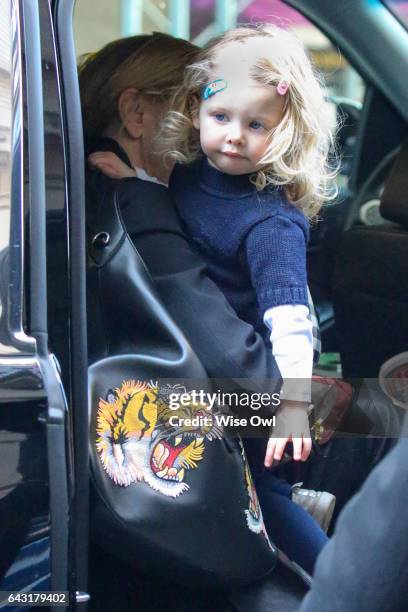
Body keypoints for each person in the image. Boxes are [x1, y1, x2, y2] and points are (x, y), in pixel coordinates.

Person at [89, 26, 336, 573]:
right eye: (221, 117)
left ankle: (337, 582)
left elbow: (293, 319)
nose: (233, 137)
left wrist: (292, 404)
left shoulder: (271, 221)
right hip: (209, 390)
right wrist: (135, 183)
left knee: (267, 499)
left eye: (256, 126)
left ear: (284, 132)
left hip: (255, 397)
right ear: (197, 108)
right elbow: (175, 213)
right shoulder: (191, 177)